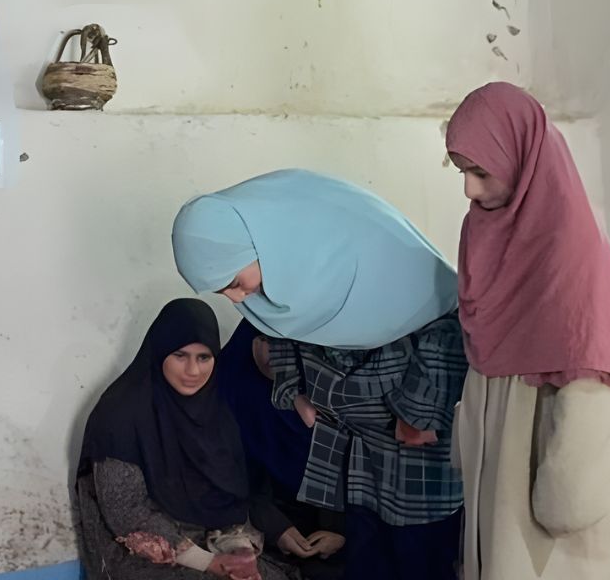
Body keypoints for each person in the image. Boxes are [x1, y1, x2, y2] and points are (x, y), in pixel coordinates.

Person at [173, 169, 467, 580]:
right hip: (354, 452)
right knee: (367, 558)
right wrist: (295, 391)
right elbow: (281, 333)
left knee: (420, 555)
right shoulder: (281, 281)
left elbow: (446, 324)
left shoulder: (374, 255)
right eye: (224, 292)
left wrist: (418, 415)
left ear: (263, 243)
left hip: (412, 445)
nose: (237, 298)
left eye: (235, 282)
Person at [445, 82, 610, 580]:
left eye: (481, 171)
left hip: (544, 493)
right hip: (495, 469)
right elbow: (484, 353)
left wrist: (563, 500)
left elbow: (591, 377)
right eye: (461, 172)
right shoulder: (483, 230)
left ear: (521, 158)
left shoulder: (570, 250)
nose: (469, 190)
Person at [76, 298, 307, 580]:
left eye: (204, 357)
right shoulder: (120, 414)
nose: (193, 371)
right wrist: (207, 562)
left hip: (213, 540)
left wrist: (238, 547)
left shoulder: (218, 409)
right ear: (160, 351)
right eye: (180, 356)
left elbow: (235, 497)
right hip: (141, 551)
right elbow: (126, 512)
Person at [217, 320, 345, 580]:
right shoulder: (227, 390)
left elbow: (349, 465)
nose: (276, 354)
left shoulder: (319, 385)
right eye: (266, 340)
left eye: (289, 345)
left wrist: (341, 532)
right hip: (260, 527)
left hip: (330, 528)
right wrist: (275, 527)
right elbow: (226, 479)